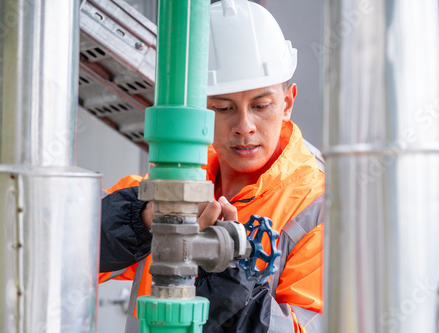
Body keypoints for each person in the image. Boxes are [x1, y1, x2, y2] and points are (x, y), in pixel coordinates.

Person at [98, 0, 325, 332]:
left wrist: (232, 284)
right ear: (200, 110)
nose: (244, 125)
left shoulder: (315, 212)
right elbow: (67, 254)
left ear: (287, 103)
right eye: (223, 108)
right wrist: (144, 221)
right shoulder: (172, 178)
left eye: (261, 105)